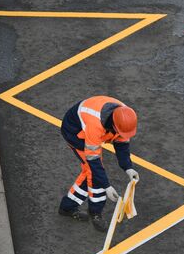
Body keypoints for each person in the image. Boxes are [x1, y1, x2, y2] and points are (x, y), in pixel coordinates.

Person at [59, 96, 139, 232]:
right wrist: (106, 186)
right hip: (75, 133)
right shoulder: (94, 126)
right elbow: (94, 161)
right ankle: (95, 213)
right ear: (114, 125)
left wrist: (128, 168)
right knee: (93, 172)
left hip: (92, 128)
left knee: (90, 173)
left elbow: (122, 144)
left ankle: (68, 206)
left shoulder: (124, 117)